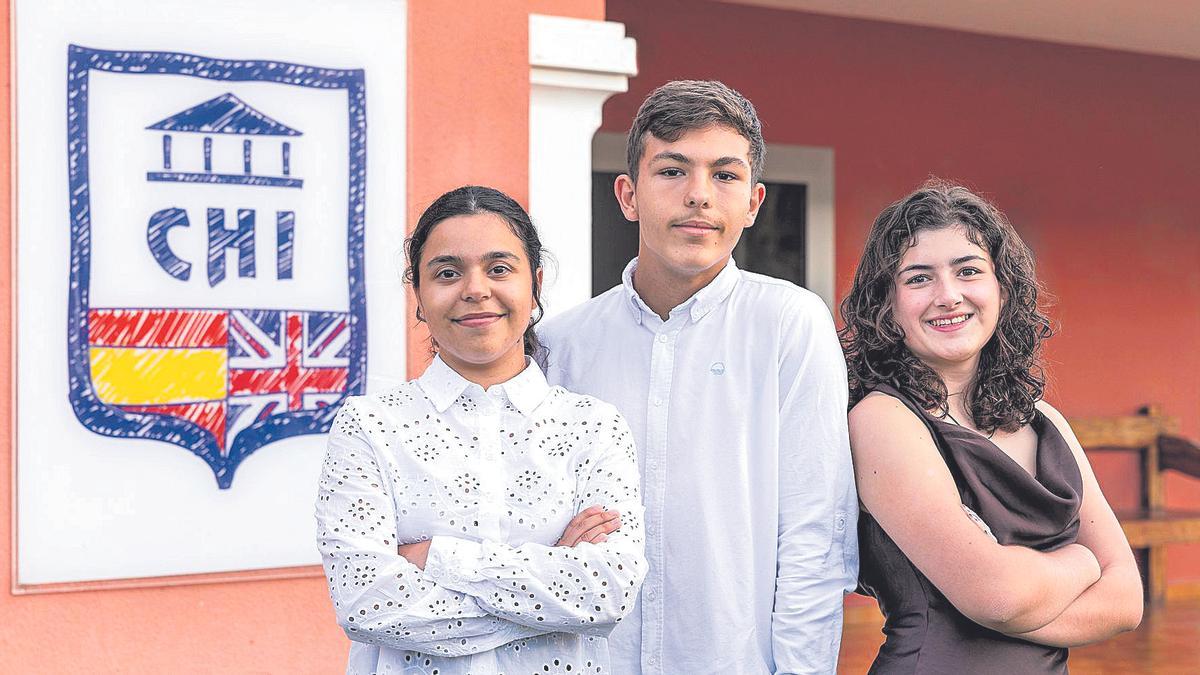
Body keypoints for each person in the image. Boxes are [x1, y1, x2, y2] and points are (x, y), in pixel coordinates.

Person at [539, 80, 858, 674]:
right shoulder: (564, 344)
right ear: (628, 195)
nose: (699, 196)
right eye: (672, 171)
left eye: (725, 175)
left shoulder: (790, 324)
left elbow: (816, 536)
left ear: (754, 202)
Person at [315, 186, 647, 675]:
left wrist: (437, 559)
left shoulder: (594, 427)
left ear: (534, 284)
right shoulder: (370, 426)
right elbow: (366, 603)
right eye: (447, 273)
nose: (475, 289)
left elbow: (607, 594)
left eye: (499, 268)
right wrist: (552, 583)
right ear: (419, 297)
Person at [841, 181, 1143, 673]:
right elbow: (996, 597)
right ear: (887, 305)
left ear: (1003, 288)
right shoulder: (881, 419)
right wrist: (1084, 564)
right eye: (919, 279)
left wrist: (1014, 599)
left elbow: (1126, 601)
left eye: (969, 271)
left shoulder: (1046, 422)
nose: (948, 295)